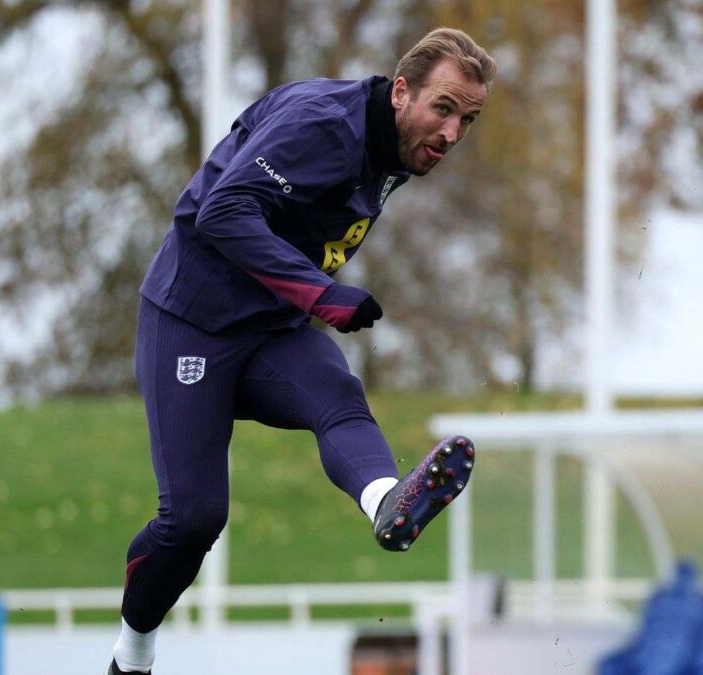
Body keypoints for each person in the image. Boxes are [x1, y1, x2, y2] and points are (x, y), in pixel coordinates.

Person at [107, 28, 496, 675]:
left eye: (469, 120)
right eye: (444, 108)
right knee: (195, 519)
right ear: (401, 91)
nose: (453, 133)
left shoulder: (393, 148)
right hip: (191, 322)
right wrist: (322, 294)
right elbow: (223, 212)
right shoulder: (321, 125)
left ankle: (387, 503)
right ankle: (133, 655)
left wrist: (306, 297)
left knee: (336, 391)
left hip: (269, 328)